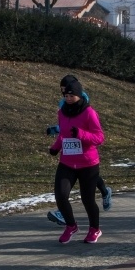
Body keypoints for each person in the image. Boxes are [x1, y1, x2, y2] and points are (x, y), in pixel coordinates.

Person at [46, 75, 112, 225]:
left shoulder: (87, 108)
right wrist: (56, 146)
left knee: (87, 198)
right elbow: (65, 129)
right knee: (61, 193)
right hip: (68, 160)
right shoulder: (62, 108)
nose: (65, 95)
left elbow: (95, 134)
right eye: (63, 92)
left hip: (87, 159)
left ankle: (104, 193)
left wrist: (80, 133)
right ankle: (65, 215)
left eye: (68, 92)